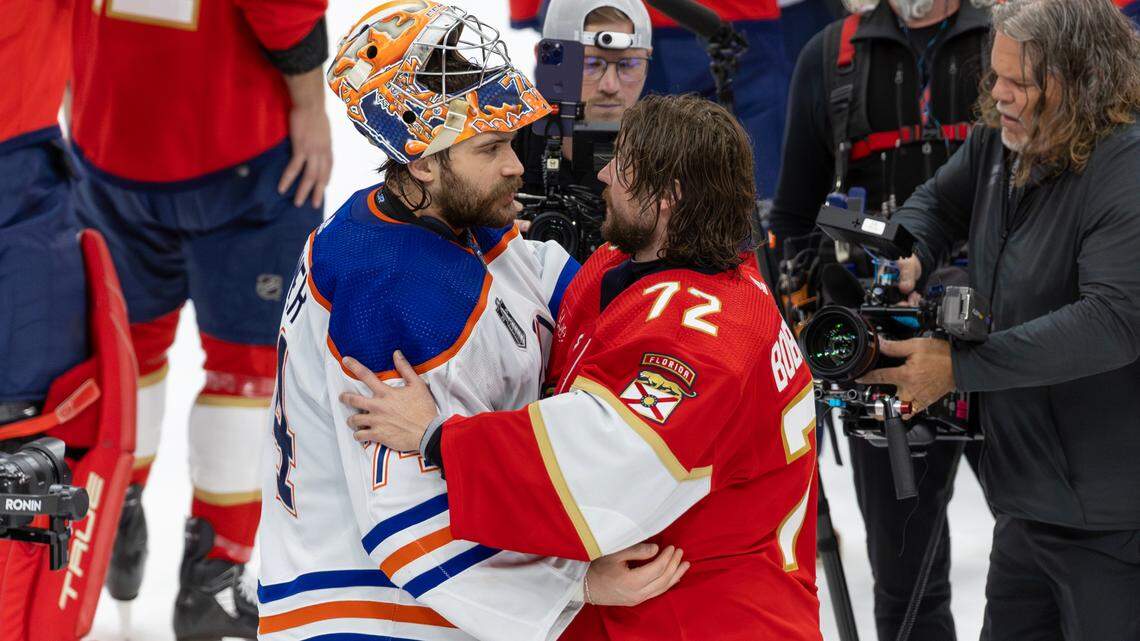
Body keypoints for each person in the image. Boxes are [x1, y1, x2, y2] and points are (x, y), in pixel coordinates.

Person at [257, 3, 686, 640]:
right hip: (374, 615)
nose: (517, 165)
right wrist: (577, 584)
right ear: (424, 160)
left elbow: (548, 289)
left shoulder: (429, 218)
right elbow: (403, 522)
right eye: (491, 147)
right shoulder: (389, 285)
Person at [341, 93, 823, 641]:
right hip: (668, 606)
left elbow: (597, 464)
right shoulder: (628, 262)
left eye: (624, 166)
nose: (604, 175)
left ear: (668, 197)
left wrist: (435, 438)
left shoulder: (706, 340)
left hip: (715, 618)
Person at [858, 1, 1140, 639]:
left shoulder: (1126, 166)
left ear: (1082, 81)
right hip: (1024, 508)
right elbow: (938, 202)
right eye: (995, 75)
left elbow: (1115, 321)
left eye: (1020, 82)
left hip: (1113, 525)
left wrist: (958, 368)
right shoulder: (998, 139)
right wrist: (912, 250)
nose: (999, 94)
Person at [68, 0, 331, 637]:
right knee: (247, 370)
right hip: (233, 138)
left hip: (107, 130)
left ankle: (109, 513)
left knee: (128, 345)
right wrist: (308, 103)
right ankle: (214, 577)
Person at [770, 1, 989, 638]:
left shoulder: (1014, 44)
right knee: (906, 592)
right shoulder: (830, 56)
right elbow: (792, 217)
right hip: (883, 361)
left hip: (1010, 343)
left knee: (1048, 555)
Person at [514, 0, 653, 197]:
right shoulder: (504, 144)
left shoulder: (671, 157)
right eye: (591, 64)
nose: (610, 86)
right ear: (548, 59)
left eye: (628, 64)